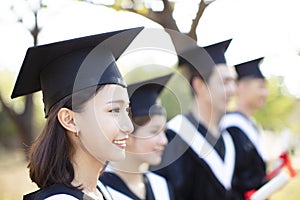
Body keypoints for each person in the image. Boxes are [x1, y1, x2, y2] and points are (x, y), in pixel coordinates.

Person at [11, 27, 144, 200]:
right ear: (70, 120)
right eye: (114, 110)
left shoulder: (101, 193)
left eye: (127, 110)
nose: (128, 126)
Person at [152, 39, 237, 199]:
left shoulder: (226, 139)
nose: (232, 90)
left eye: (232, 82)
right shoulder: (174, 139)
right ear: (199, 86)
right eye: (224, 82)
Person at [99, 74, 174, 200]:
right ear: (127, 133)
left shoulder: (161, 186)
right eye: (154, 131)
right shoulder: (100, 191)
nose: (164, 141)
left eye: (164, 131)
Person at [220, 57, 268, 199]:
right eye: (260, 87)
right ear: (240, 86)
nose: (265, 93)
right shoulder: (231, 127)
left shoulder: (250, 124)